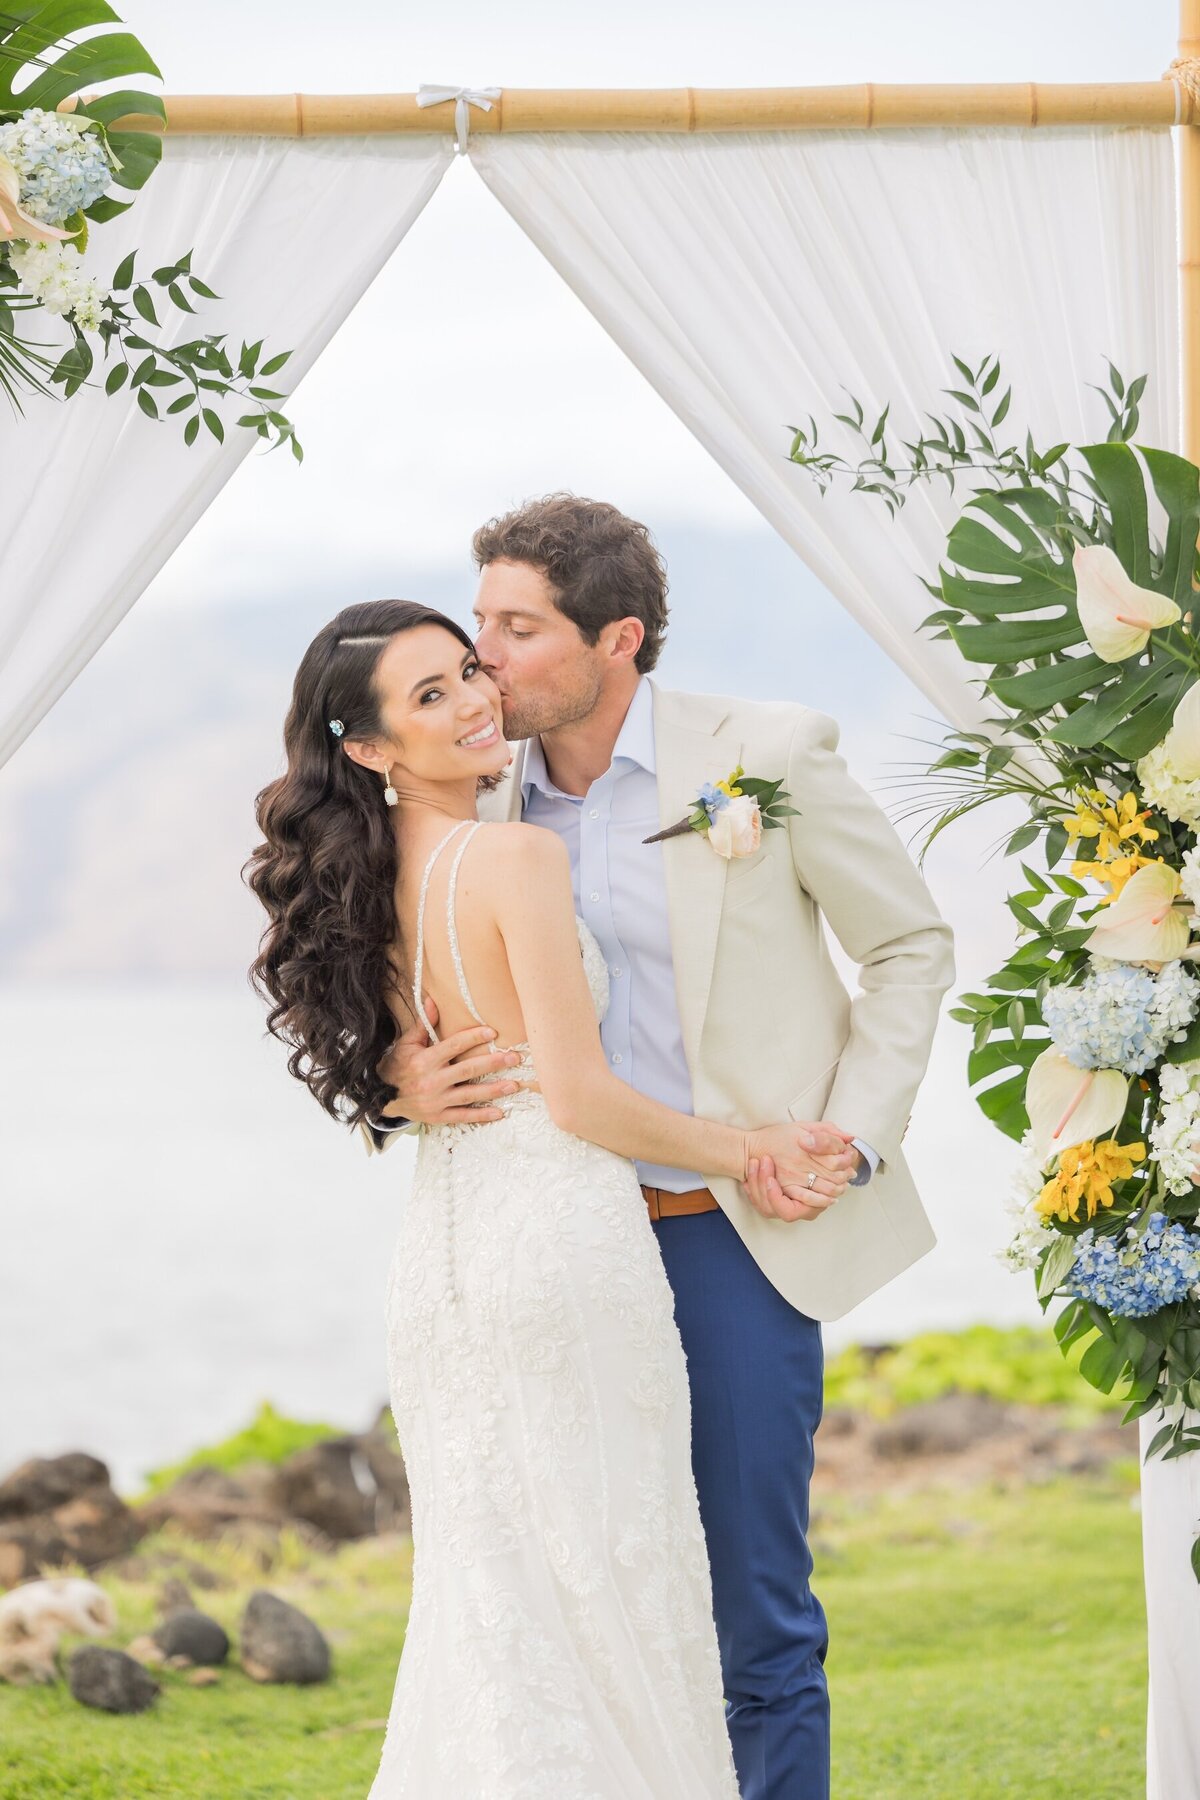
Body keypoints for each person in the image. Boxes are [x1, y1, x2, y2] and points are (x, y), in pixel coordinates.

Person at [360, 495, 957, 1800]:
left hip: (728, 1239)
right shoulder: (470, 789)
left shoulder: (768, 756)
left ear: (616, 637)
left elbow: (909, 947)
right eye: (479, 630)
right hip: (554, 1256)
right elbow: (359, 968)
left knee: (754, 1617)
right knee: (585, 1609)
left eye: (515, 631)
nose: (485, 664)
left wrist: (848, 1142)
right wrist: (395, 1073)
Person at [246, 594, 862, 1800]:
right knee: (618, 1598)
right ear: (369, 750)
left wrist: (390, 1074)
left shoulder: (366, 879)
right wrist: (752, 1150)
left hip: (449, 1267)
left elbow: (409, 1042)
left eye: (470, 670)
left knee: (497, 1610)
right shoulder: (513, 854)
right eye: (431, 698)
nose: (478, 700)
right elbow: (577, 1097)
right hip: (566, 1250)